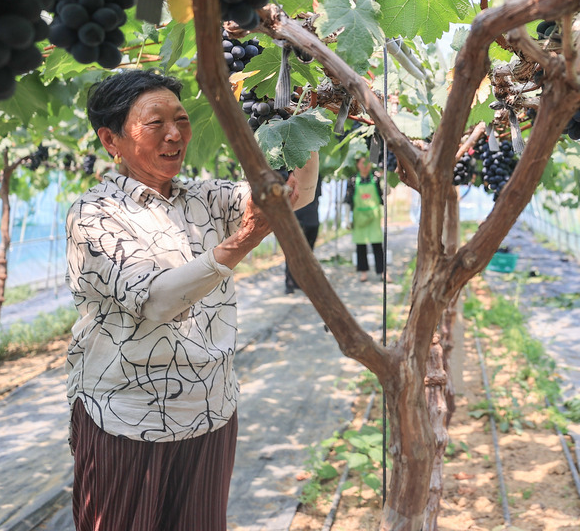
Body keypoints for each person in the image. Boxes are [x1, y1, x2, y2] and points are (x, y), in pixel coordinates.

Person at [65, 70, 318, 531]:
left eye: (181, 120)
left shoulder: (205, 196)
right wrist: (239, 244)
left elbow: (296, 196)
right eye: (155, 122)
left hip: (210, 411)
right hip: (126, 417)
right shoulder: (95, 214)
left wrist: (304, 119)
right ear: (111, 140)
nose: (175, 134)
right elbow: (157, 301)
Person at [345, 155, 384, 282]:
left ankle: (382, 272)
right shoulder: (352, 180)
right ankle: (363, 272)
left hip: (374, 217)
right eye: (362, 163)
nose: (365, 165)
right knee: (360, 245)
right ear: (357, 164)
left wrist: (385, 179)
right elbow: (347, 200)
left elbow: (385, 194)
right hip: (359, 217)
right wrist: (346, 219)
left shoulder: (376, 178)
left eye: (367, 162)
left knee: (377, 244)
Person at [287, 189, 321, 293]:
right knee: (295, 253)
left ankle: (298, 282)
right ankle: (294, 282)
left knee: (298, 253)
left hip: (308, 220)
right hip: (303, 219)